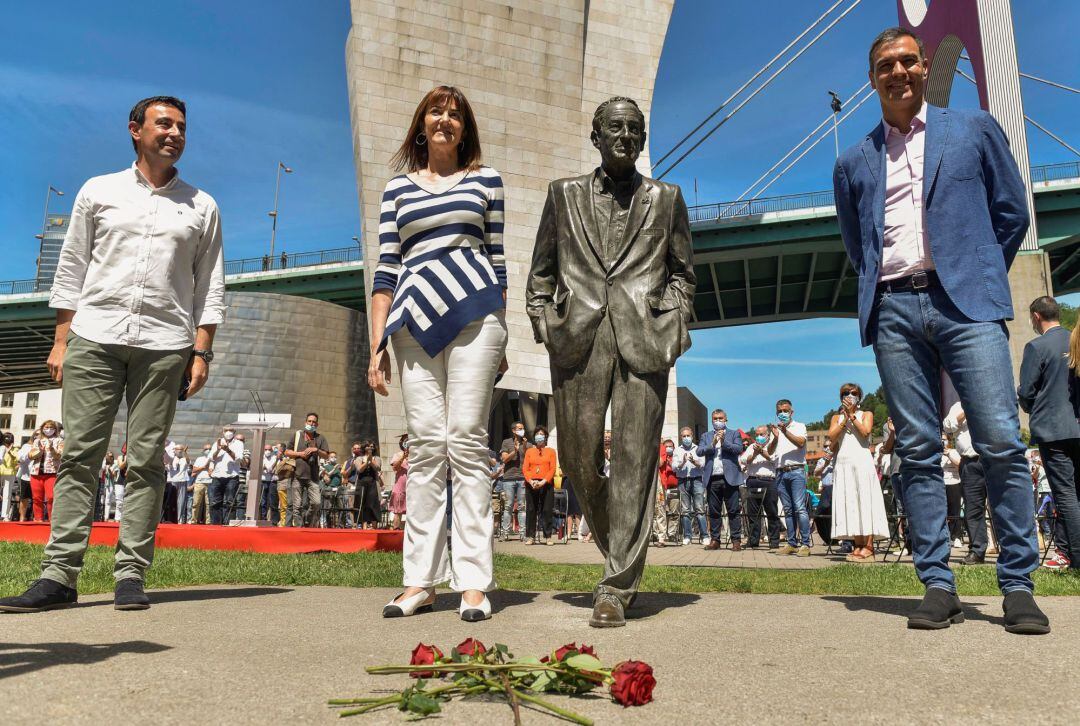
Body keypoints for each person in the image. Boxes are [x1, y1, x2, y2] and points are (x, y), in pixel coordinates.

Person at [832, 27, 1048, 634]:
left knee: (1002, 439)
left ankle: (1017, 586)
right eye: (884, 66)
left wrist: (975, 270)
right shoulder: (854, 160)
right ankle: (937, 584)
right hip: (895, 309)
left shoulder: (973, 128)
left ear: (925, 67)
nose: (897, 72)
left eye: (906, 60)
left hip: (967, 307)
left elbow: (1012, 210)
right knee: (919, 449)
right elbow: (859, 244)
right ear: (872, 80)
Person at [0, 96, 225, 614]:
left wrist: (202, 352)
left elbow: (209, 284)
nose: (173, 133)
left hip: (166, 343)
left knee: (146, 461)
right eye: (163, 123)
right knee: (80, 456)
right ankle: (59, 577)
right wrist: (61, 339)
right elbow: (72, 265)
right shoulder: (98, 191)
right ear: (134, 130)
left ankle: (130, 575)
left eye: (181, 127)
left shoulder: (202, 206)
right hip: (95, 336)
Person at [527, 94, 695, 628]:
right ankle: (619, 549)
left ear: (643, 141)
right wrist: (542, 321)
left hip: (645, 339)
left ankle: (616, 584)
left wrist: (672, 321)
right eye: (614, 128)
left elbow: (683, 274)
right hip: (577, 339)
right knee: (577, 460)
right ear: (595, 136)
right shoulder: (564, 195)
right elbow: (542, 271)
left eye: (634, 129)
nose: (624, 136)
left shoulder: (667, 199)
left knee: (635, 463)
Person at [367, 86, 507, 622]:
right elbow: (386, 270)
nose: (444, 119)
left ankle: (473, 583)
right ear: (421, 124)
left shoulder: (486, 180)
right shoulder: (397, 188)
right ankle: (419, 582)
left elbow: (497, 261)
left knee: (466, 443)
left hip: (477, 315)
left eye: (454, 114)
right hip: (412, 322)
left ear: (464, 127)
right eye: (436, 111)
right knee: (425, 448)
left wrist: (504, 335)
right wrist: (375, 344)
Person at [1019, 296, 1080, 572]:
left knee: (1065, 495)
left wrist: (1030, 405)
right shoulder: (1074, 340)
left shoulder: (1037, 346)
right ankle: (1066, 552)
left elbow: (1027, 392)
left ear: (1035, 316)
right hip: (1076, 426)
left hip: (1053, 431)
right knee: (1075, 494)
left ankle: (1076, 558)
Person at [828, 383, 889, 562]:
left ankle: (869, 546)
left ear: (859, 397)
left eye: (853, 393)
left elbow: (865, 432)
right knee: (851, 503)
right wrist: (844, 418)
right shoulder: (836, 417)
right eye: (845, 393)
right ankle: (858, 544)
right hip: (844, 463)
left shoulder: (866, 414)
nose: (849, 395)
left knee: (865, 501)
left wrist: (853, 415)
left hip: (862, 461)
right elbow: (832, 437)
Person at [768, 399, 811, 556]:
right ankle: (791, 543)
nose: (782, 414)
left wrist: (785, 431)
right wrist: (775, 437)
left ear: (791, 412)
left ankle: (805, 544)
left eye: (785, 411)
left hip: (796, 471)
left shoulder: (799, 426)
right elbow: (771, 451)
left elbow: (800, 443)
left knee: (799, 507)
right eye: (779, 411)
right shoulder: (777, 430)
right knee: (787, 510)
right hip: (780, 472)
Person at [698, 409, 745, 551]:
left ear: (726, 420)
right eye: (715, 418)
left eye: (720, 418)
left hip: (729, 478)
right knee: (714, 512)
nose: (717, 421)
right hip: (712, 478)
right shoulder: (706, 436)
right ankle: (715, 540)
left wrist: (724, 442)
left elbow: (738, 449)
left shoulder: (734, 433)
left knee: (733, 511)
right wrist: (712, 443)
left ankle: (736, 540)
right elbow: (699, 451)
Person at [283, 413, 330, 528]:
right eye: (309, 421)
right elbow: (287, 452)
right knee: (297, 506)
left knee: (316, 503)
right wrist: (301, 454)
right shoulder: (297, 435)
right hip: (297, 475)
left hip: (313, 476)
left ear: (317, 424)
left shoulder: (320, 438)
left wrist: (316, 449)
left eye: (314, 422)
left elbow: (326, 455)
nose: (311, 424)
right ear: (305, 422)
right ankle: (299, 529)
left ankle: (307, 520)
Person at [741, 425, 781, 550]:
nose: (759, 437)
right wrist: (754, 454)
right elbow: (743, 460)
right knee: (753, 513)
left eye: (762, 434)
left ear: (768, 435)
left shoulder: (774, 446)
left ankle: (774, 540)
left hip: (769, 481)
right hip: (753, 480)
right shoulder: (751, 447)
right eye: (757, 434)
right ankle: (753, 540)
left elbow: (775, 460)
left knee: (771, 512)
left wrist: (762, 453)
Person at [522, 426, 557, 546]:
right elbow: (525, 469)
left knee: (547, 510)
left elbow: (552, 469)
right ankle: (530, 536)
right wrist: (531, 481)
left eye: (541, 434)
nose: (539, 436)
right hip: (531, 483)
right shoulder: (529, 451)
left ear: (545, 437)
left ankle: (548, 536)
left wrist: (543, 481)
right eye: (537, 434)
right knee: (531, 510)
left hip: (546, 484)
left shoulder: (551, 451)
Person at [673, 427, 706, 545]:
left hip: (697, 480)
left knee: (700, 509)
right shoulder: (677, 450)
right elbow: (674, 467)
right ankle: (687, 536)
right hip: (682, 481)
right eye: (684, 436)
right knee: (685, 510)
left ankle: (704, 536)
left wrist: (693, 461)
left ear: (692, 436)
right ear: (681, 437)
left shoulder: (698, 449)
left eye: (688, 436)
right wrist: (682, 462)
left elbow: (702, 464)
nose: (686, 438)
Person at [28, 421, 64, 522]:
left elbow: (60, 456)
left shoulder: (59, 440)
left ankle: (52, 520)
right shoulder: (37, 441)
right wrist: (39, 451)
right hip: (36, 473)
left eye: (51, 427)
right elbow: (30, 456)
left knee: (51, 497)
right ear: (42, 428)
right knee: (36, 498)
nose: (48, 429)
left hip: (51, 473)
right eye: (46, 427)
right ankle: (38, 519)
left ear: (55, 429)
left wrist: (52, 449)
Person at [499, 422, 529, 541]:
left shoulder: (528, 443)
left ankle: (523, 533)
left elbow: (529, 459)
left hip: (522, 478)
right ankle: (505, 533)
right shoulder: (507, 442)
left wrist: (525, 446)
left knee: (522, 507)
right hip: (508, 479)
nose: (522, 430)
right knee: (508, 506)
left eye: (523, 428)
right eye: (519, 428)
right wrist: (514, 451)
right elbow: (504, 459)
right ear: (513, 430)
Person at [207, 426, 243, 525]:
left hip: (232, 477)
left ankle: (227, 523)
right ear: (223, 432)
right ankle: (216, 524)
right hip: (217, 476)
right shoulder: (217, 442)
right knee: (215, 502)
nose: (228, 432)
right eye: (226, 430)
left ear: (234, 432)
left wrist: (227, 450)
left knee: (230, 502)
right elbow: (211, 458)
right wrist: (218, 450)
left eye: (230, 430)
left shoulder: (239, 443)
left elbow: (238, 459)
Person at [652, 439, 680, 546]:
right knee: (652, 510)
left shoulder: (661, 447)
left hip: (659, 481)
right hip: (648, 481)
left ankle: (661, 537)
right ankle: (653, 534)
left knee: (660, 509)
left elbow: (660, 463)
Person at [352, 441, 382, 529]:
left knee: (373, 503)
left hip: (373, 483)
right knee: (362, 504)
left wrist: (371, 459)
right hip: (362, 483)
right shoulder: (359, 458)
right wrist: (366, 462)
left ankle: (374, 526)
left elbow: (377, 468)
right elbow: (359, 469)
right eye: (368, 447)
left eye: (372, 447)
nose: (370, 448)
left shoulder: (377, 458)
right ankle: (364, 526)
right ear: (364, 448)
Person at [941, 436, 964, 547]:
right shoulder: (936, 453)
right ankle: (945, 536)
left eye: (945, 439)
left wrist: (948, 454)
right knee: (942, 512)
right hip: (941, 484)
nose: (943, 441)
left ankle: (957, 537)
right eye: (941, 439)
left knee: (955, 511)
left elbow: (959, 464)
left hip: (954, 483)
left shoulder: (954, 451)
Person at [388, 435, 409, 530]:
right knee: (398, 511)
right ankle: (396, 531)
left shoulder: (417, 455)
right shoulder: (397, 454)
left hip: (412, 488)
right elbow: (395, 468)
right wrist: (403, 457)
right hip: (400, 488)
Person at [166, 444, 190, 525]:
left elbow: (188, 461)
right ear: (175, 450)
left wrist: (185, 453)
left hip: (182, 480)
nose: (180, 451)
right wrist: (173, 454)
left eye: (181, 449)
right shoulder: (172, 458)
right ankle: (170, 518)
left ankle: (179, 519)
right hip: (173, 481)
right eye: (178, 449)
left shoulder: (184, 459)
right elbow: (169, 462)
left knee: (181, 501)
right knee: (171, 500)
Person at [190, 444, 212, 525]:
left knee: (208, 504)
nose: (208, 450)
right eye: (206, 449)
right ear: (203, 451)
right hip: (199, 482)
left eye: (210, 449)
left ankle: (208, 521)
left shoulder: (213, 459)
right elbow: (194, 469)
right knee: (196, 503)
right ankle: (194, 521)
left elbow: (213, 471)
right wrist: (204, 467)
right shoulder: (199, 459)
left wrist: (209, 470)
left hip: (210, 482)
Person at [320, 452, 344, 528]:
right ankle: (328, 524)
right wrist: (334, 468)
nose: (333, 458)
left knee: (341, 507)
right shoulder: (326, 466)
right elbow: (327, 476)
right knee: (328, 507)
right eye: (332, 457)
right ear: (328, 458)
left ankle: (340, 525)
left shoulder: (339, 467)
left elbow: (342, 477)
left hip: (338, 488)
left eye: (335, 457)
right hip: (330, 488)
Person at [260, 444, 280, 524]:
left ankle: (274, 521)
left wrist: (268, 468)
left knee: (273, 502)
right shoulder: (260, 458)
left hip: (272, 482)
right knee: (263, 502)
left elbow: (272, 470)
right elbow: (262, 469)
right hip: (263, 481)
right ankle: (263, 519)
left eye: (269, 449)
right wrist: (269, 469)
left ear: (271, 450)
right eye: (265, 449)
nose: (267, 451)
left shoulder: (275, 458)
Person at [1, 432, 18, 522]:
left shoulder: (15, 449)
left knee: (7, 494)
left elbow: (17, 460)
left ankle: (5, 515)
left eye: (9, 439)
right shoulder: (0, 448)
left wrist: (10, 452)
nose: (7, 442)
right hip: (0, 471)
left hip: (10, 473)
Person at [99, 453, 121, 522]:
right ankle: (105, 517)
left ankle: (115, 518)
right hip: (107, 484)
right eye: (109, 456)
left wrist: (109, 470)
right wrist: (106, 460)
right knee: (106, 500)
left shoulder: (116, 464)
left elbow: (114, 475)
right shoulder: (105, 464)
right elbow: (102, 469)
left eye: (111, 456)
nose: (110, 457)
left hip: (114, 484)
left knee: (115, 501)